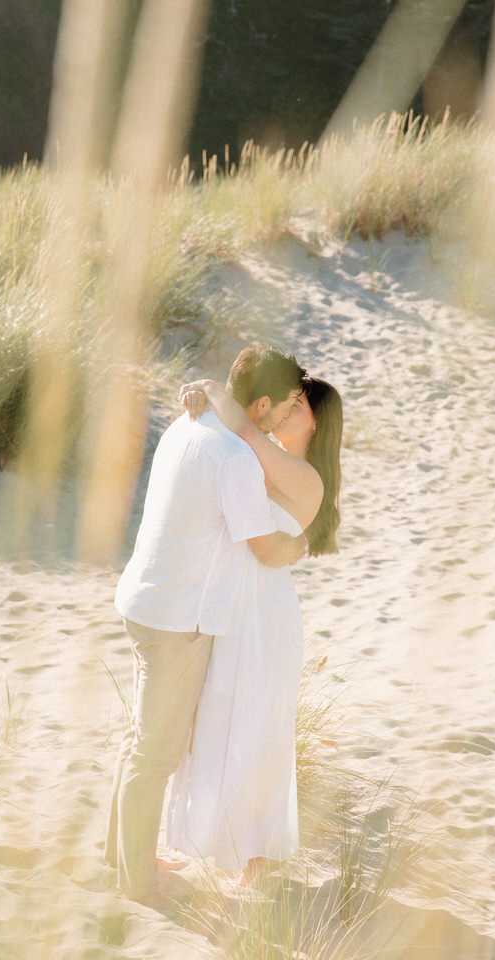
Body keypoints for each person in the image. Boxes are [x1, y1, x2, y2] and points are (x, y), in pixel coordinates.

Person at [105, 345, 309, 908]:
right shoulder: (235, 457)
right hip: (177, 617)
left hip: (146, 599)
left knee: (141, 739)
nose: (290, 414)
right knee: (157, 749)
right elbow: (263, 544)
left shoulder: (186, 424)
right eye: (287, 404)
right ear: (261, 404)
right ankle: (136, 878)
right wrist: (304, 542)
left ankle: (123, 854)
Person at [163, 374, 344, 885]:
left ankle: (255, 861)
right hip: (231, 602)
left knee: (258, 730)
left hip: (265, 614)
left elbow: (244, 431)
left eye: (301, 406)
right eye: (289, 401)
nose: (288, 411)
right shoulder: (261, 459)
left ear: (319, 422)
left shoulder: (303, 474)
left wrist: (211, 389)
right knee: (213, 721)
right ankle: (201, 840)